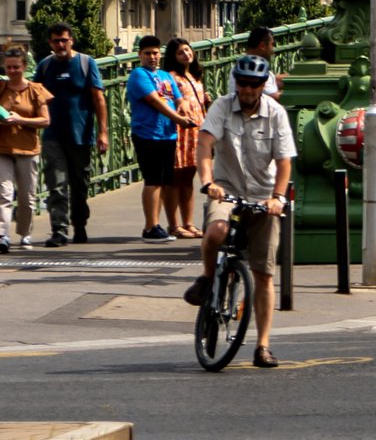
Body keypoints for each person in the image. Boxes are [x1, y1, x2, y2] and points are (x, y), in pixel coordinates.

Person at [186, 52, 293, 369]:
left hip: (263, 196)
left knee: (263, 274)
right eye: (242, 84)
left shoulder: (275, 113)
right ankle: (208, 277)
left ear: (263, 85)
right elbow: (205, 144)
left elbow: (285, 161)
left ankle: (262, 346)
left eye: (253, 85)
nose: (247, 90)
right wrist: (207, 182)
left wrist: (277, 197)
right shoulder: (222, 105)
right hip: (227, 189)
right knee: (216, 231)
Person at [34, 22, 109, 247]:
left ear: (71, 41)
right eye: (56, 41)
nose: (60, 45)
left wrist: (103, 132)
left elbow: (98, 99)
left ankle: (80, 224)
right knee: (56, 184)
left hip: (81, 134)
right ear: (50, 43)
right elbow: (35, 96)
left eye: (64, 40)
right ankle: (59, 230)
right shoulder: (45, 66)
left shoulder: (86, 63)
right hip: (53, 135)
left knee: (80, 185)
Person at [0, 43, 50, 255]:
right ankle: (3, 235)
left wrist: (21, 119)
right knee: (4, 192)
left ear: (24, 67)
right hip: (1, 147)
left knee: (27, 196)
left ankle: (25, 233)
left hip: (27, 148)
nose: (12, 71)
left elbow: (46, 120)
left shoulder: (35, 90)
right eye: (8, 67)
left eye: (16, 67)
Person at [125, 33, 180, 238]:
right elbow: (156, 101)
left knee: (166, 181)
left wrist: (182, 109)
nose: (152, 57)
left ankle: (159, 225)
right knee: (153, 180)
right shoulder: (139, 75)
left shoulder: (166, 76)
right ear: (140, 55)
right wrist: (179, 119)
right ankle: (150, 226)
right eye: (147, 53)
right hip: (147, 134)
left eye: (156, 53)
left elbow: (177, 97)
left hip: (168, 134)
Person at [161, 37, 206, 238]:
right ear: (173, 57)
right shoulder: (170, 77)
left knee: (188, 177)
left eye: (188, 50)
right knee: (174, 178)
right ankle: (174, 225)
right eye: (180, 52)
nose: (186, 54)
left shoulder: (195, 76)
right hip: (179, 131)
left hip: (196, 131)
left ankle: (189, 222)